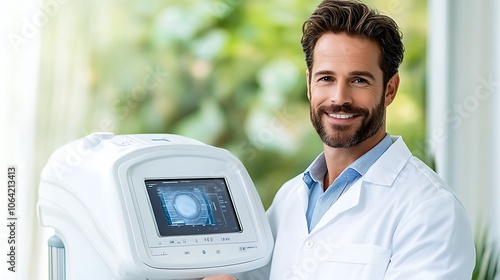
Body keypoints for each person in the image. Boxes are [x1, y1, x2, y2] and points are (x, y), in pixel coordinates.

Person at [204, 0, 475, 279]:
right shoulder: (290, 198)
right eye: (326, 79)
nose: (339, 98)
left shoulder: (430, 209)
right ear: (309, 85)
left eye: (359, 80)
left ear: (390, 90)